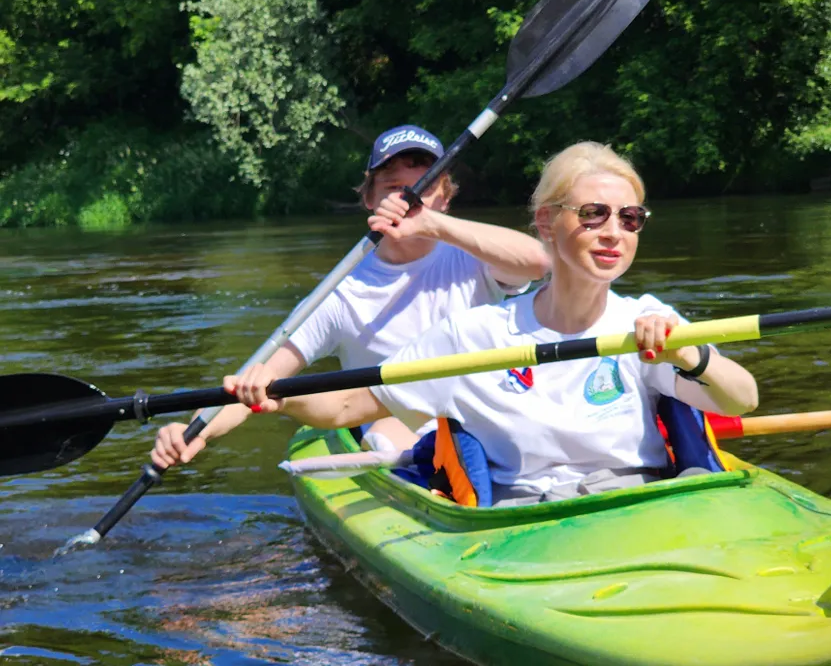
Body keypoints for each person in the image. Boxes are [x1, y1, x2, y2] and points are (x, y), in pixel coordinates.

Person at [223, 141, 759, 504]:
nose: (613, 231)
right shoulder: (473, 337)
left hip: (640, 504)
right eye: (593, 214)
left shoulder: (646, 319)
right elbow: (345, 405)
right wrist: (279, 395)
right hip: (522, 523)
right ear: (547, 222)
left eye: (629, 218)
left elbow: (742, 399)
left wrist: (691, 355)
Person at [151, 124, 551, 469]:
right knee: (389, 430)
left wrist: (432, 225)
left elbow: (539, 263)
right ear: (369, 199)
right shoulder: (339, 293)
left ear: (444, 199)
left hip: (486, 421)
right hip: (394, 432)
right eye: (395, 189)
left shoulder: (475, 256)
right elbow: (258, 379)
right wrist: (194, 432)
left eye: (423, 189)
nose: (409, 200)